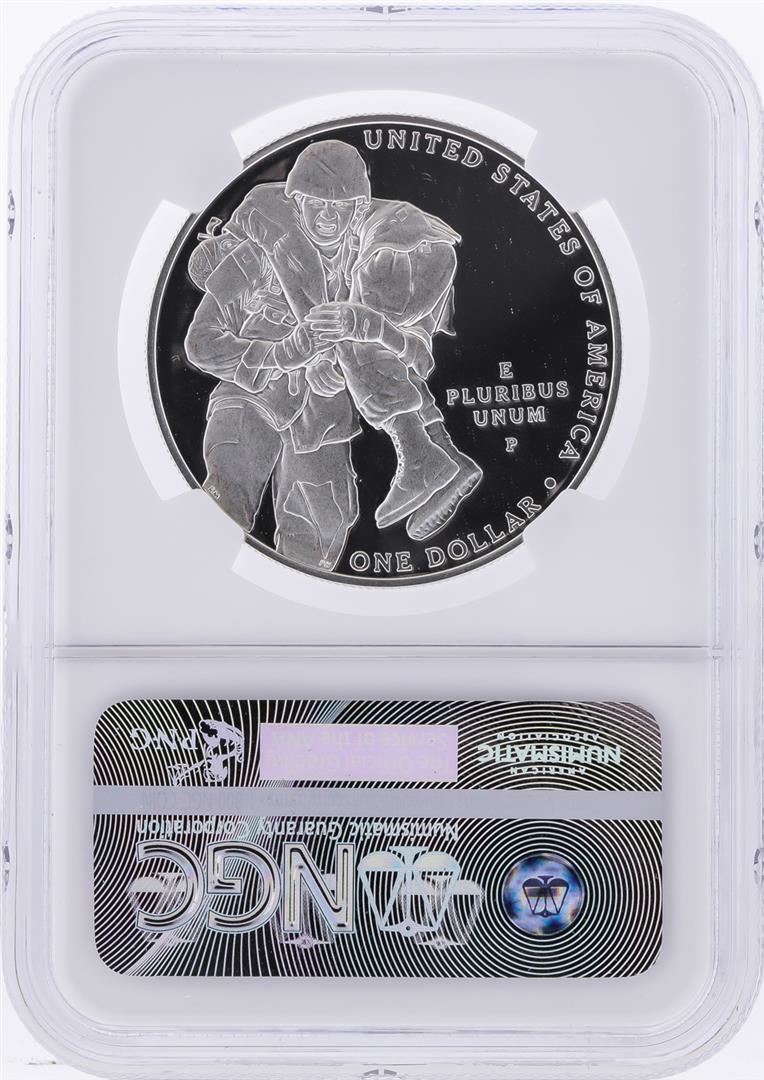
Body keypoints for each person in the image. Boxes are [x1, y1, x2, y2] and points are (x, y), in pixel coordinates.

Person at [184, 140, 481, 570]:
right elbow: (200, 343)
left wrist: (356, 354)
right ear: (297, 203)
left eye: (339, 206)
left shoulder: (380, 263)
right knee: (224, 508)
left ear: (357, 209)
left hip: (325, 423)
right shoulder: (259, 253)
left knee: (317, 549)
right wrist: (282, 354)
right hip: (252, 400)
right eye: (316, 204)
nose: (327, 216)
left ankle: (432, 457)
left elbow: (414, 354)